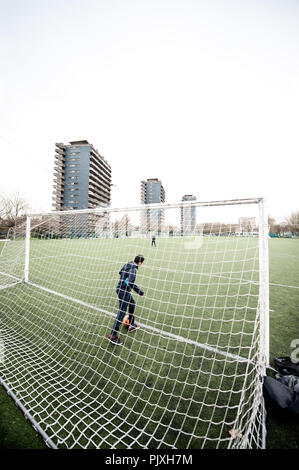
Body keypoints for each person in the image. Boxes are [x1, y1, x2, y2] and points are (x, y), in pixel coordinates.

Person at [108, 255, 145, 346]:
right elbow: (131, 283)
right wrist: (140, 292)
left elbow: (120, 272)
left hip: (122, 290)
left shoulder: (128, 263)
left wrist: (124, 280)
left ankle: (131, 324)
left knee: (132, 304)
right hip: (123, 291)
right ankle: (113, 335)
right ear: (140, 263)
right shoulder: (134, 269)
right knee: (122, 312)